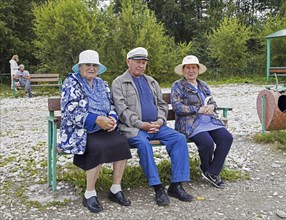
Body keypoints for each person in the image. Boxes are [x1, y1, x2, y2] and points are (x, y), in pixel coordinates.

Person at [111, 47, 193, 206]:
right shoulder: (119, 82)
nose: (140, 66)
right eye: (137, 62)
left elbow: (162, 105)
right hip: (133, 128)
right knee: (143, 144)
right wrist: (142, 124)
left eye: (143, 63)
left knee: (179, 139)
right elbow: (122, 110)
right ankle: (158, 187)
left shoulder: (151, 81)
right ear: (128, 62)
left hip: (156, 126)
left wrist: (160, 121)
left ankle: (176, 185)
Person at [58, 50, 132, 213]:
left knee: (121, 144)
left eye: (94, 65)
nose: (91, 68)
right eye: (87, 65)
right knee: (98, 147)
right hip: (82, 130)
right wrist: (96, 119)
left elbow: (112, 106)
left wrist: (111, 118)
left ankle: (115, 188)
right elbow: (70, 110)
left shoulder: (102, 83)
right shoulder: (71, 82)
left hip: (104, 127)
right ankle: (89, 193)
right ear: (80, 67)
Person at [171, 55, 233, 188]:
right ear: (183, 70)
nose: (191, 70)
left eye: (194, 68)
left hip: (208, 121)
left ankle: (212, 172)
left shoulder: (203, 85)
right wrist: (197, 109)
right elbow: (177, 107)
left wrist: (212, 107)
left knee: (227, 138)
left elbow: (212, 102)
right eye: (188, 68)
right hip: (189, 122)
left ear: (198, 70)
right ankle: (206, 168)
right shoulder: (177, 86)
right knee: (207, 143)